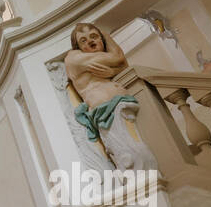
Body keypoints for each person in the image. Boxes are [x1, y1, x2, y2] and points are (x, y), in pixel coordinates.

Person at [63, 23, 155, 170]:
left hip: (125, 107)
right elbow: (118, 57)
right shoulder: (73, 58)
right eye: (83, 40)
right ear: (77, 47)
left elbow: (123, 64)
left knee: (144, 153)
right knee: (132, 158)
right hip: (107, 112)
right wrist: (105, 36)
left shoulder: (96, 60)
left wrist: (112, 72)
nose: (90, 41)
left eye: (94, 36)